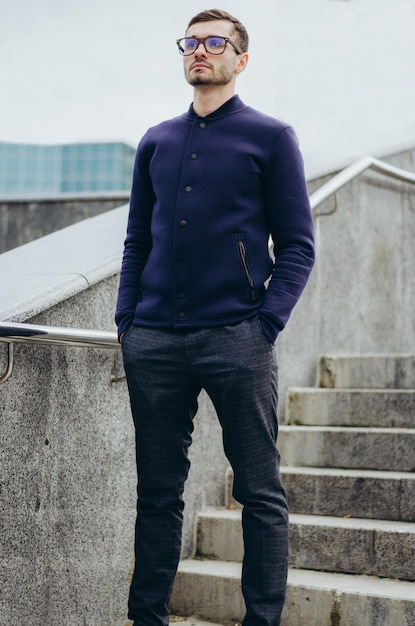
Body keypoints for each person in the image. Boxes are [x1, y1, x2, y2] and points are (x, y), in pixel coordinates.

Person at [115, 8, 315, 626]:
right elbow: (136, 243)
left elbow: (298, 246)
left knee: (259, 492)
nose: (199, 51)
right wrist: (128, 321)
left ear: (240, 59)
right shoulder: (157, 140)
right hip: (154, 342)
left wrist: (264, 324)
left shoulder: (270, 137)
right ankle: (146, 618)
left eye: (213, 43)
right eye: (191, 43)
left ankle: (263, 619)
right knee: (157, 493)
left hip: (238, 338)